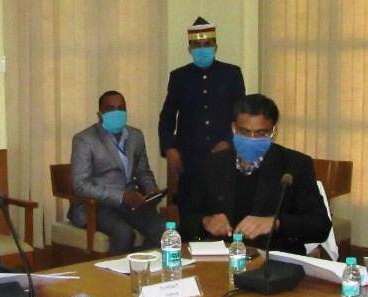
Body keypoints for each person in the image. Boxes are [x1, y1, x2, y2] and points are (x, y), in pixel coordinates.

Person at [182, 94, 330, 254]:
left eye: (260, 133)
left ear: (273, 132)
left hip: (273, 258)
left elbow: (320, 226)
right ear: (234, 129)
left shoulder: (294, 165)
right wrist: (206, 221)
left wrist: (276, 223)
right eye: (244, 132)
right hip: (221, 256)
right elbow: (187, 218)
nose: (251, 139)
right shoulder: (214, 164)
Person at [158, 16, 246, 222]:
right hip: (190, 161)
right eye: (197, 45)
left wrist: (229, 141)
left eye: (207, 44)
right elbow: (167, 116)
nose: (202, 49)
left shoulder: (231, 74)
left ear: (215, 46)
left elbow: (241, 115)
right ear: (190, 49)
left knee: (224, 214)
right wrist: (169, 148)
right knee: (191, 217)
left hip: (224, 157)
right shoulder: (179, 76)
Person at [69, 90, 167, 253]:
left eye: (121, 108)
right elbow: (80, 185)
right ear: (100, 114)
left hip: (132, 204)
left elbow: (143, 171)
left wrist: (151, 189)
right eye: (111, 109)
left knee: (162, 229)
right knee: (124, 233)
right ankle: (116, 269)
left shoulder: (135, 136)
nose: (117, 112)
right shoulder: (84, 139)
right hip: (98, 207)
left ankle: (143, 263)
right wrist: (121, 196)